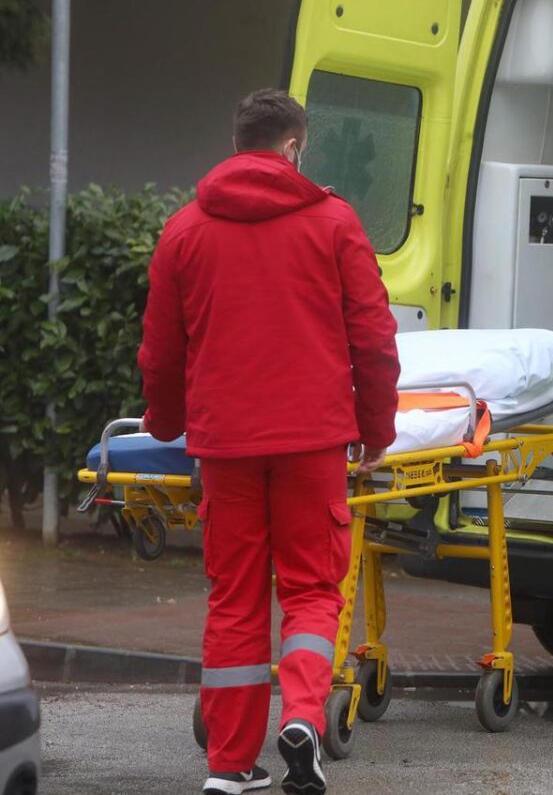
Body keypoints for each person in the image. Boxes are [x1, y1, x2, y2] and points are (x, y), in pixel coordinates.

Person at [137, 88, 400, 795]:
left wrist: (166, 425)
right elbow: (374, 337)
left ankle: (228, 765)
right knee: (313, 588)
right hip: (313, 441)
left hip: (225, 446)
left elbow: (161, 351)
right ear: (292, 147)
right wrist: (376, 427)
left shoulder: (184, 230)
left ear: (237, 145)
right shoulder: (334, 222)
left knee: (235, 597)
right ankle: (304, 720)